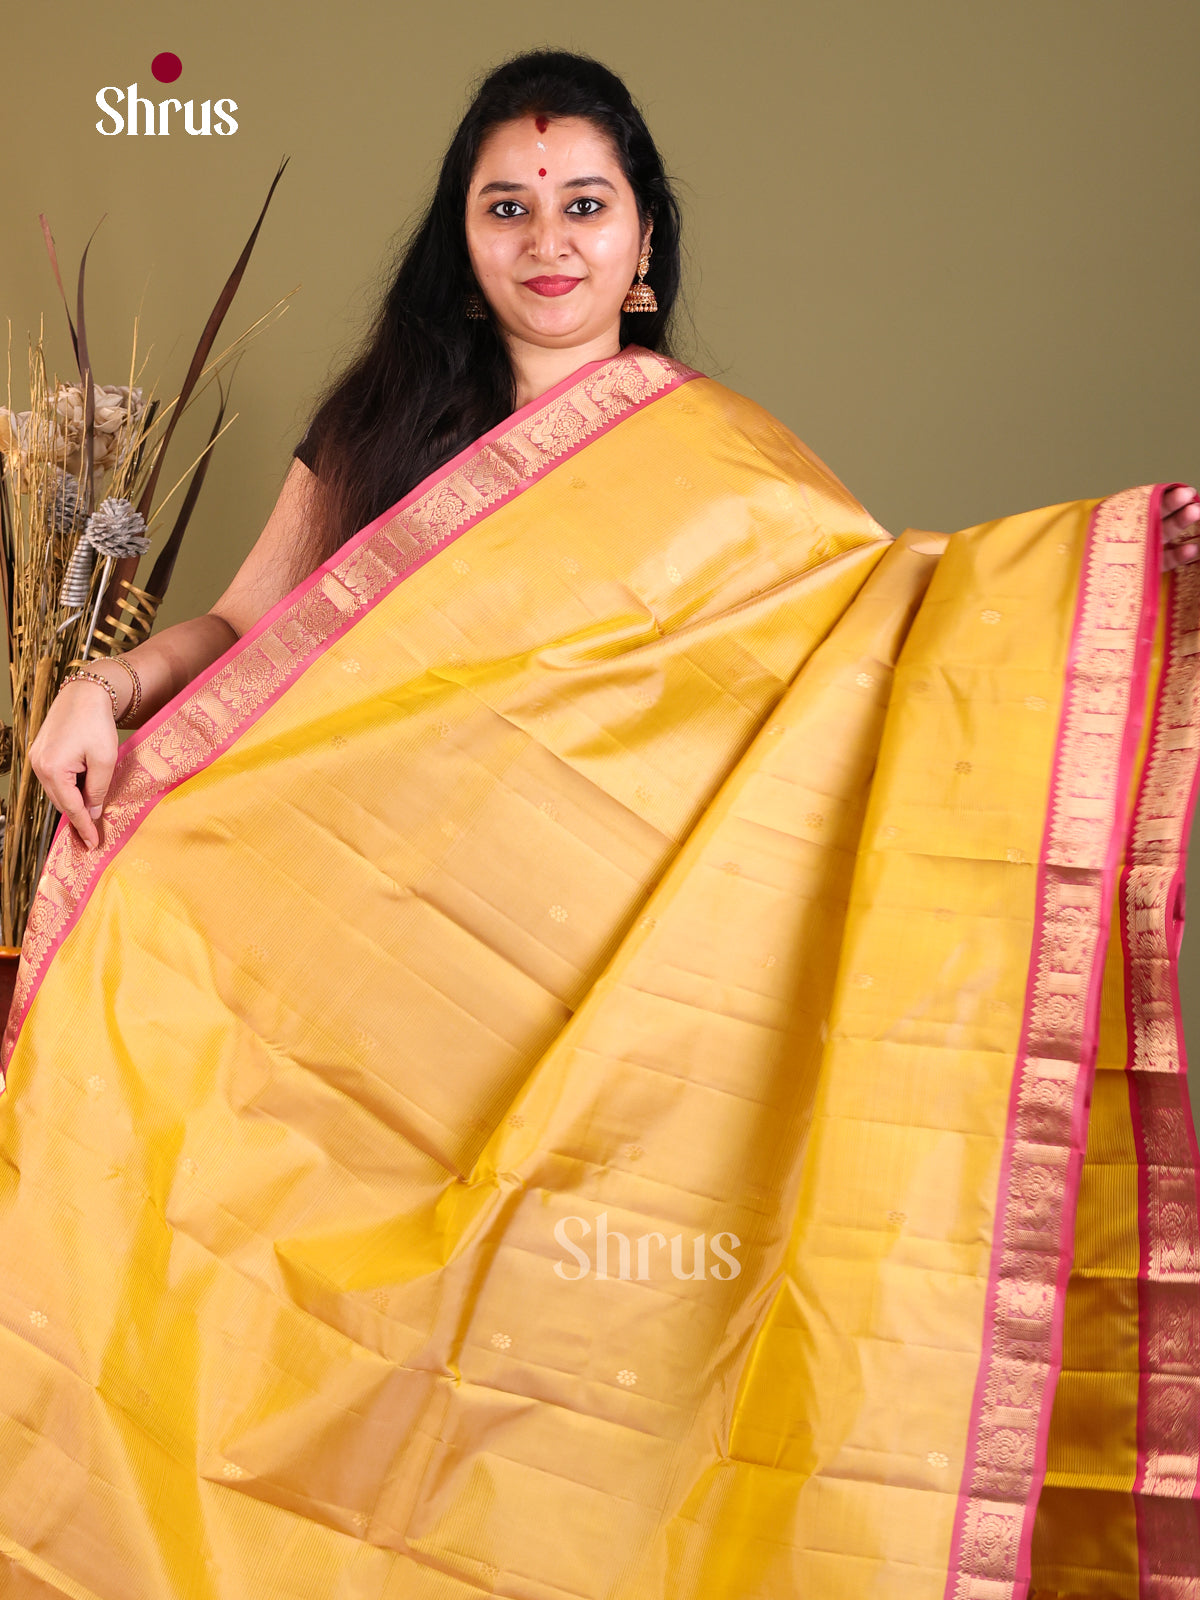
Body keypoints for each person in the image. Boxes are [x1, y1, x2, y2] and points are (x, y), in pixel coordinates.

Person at [4, 47, 1199, 1599]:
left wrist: (1117, 558)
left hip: (584, 994)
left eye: (585, 204)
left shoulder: (720, 466)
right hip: (372, 965)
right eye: (507, 207)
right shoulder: (379, 429)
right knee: (199, 1100)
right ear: (463, 241)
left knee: (551, 1359)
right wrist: (103, 686)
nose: (548, 239)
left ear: (643, 245)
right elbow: (240, 627)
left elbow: (885, 634)